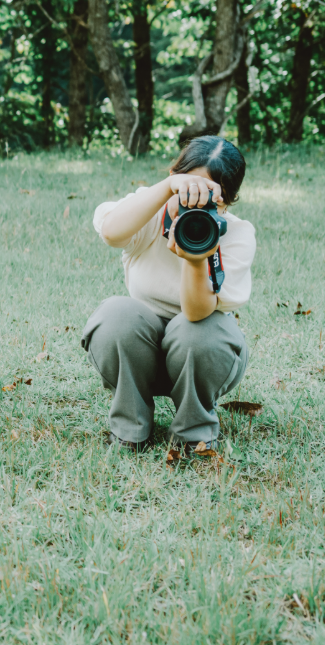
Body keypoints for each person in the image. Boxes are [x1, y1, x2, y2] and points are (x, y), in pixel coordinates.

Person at [82, 135, 256, 453]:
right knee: (115, 313)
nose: (196, 204)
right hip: (140, 349)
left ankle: (195, 435)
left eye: (211, 200)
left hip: (204, 352)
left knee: (195, 331)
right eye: (190, 190)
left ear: (228, 201)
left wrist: (196, 258)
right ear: (174, 176)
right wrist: (167, 188)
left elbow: (196, 314)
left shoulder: (237, 234)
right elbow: (111, 232)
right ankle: (129, 430)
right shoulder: (149, 208)